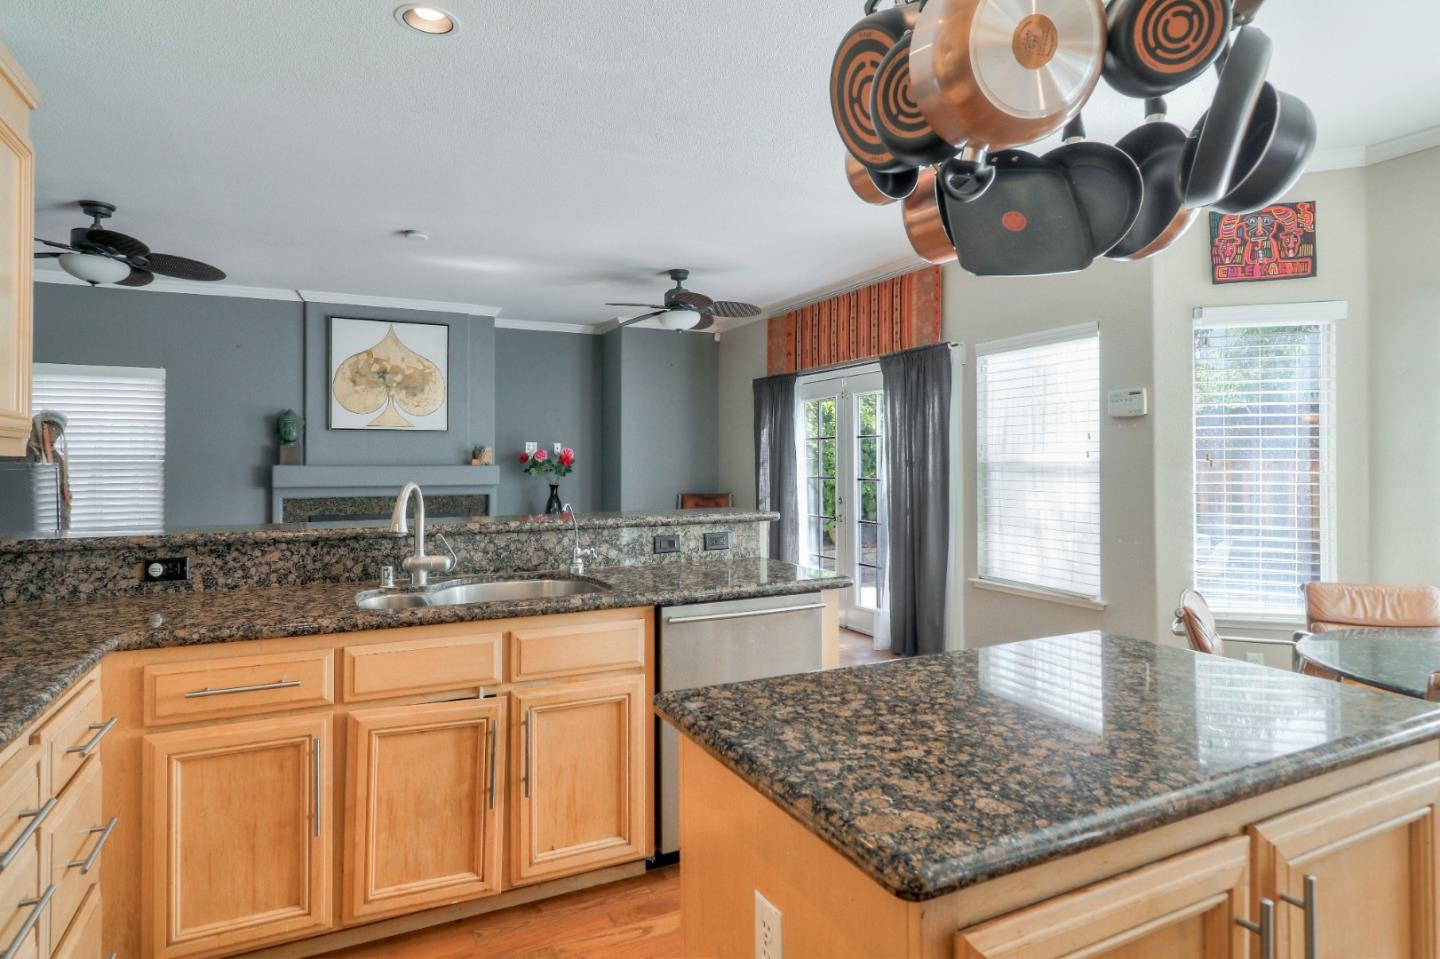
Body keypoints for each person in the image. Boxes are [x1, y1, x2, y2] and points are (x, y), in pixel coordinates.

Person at [25, 409, 71, 530]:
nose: (54, 433)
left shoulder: (56, 457)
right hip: (35, 520)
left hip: (58, 518)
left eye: (57, 430)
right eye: (51, 428)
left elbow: (64, 487)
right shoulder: (26, 453)